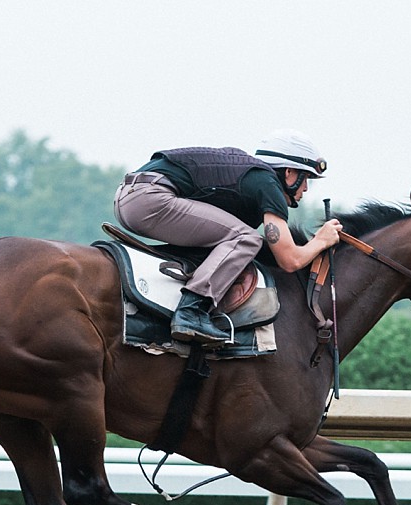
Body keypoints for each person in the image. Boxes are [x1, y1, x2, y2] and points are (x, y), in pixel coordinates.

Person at [113, 129, 344, 346]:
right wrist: (321, 240)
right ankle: (191, 310)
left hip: (132, 196)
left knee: (235, 241)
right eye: (306, 179)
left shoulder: (252, 177)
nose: (305, 188)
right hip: (150, 198)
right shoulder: (267, 183)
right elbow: (289, 260)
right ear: (289, 172)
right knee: (246, 239)